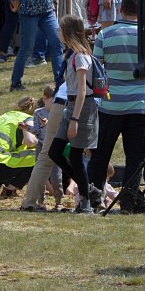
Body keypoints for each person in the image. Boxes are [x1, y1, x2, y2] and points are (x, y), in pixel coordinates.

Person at [89, 0, 145, 214]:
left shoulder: (106, 34)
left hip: (110, 105)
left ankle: (93, 200)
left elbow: (96, 69)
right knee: (135, 157)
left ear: (120, 9)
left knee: (101, 155)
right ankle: (129, 201)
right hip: (139, 104)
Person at [49, 15, 99, 213]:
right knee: (55, 151)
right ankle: (89, 189)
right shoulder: (70, 55)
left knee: (77, 155)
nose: (57, 33)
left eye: (60, 30)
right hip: (71, 106)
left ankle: (85, 202)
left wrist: (75, 119)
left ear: (68, 33)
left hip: (82, 108)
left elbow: (82, 90)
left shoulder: (80, 57)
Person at [19, 85, 65, 211]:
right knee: (40, 175)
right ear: (45, 98)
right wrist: (26, 128)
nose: (56, 104)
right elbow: (37, 131)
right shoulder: (38, 113)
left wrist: (49, 124)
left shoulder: (62, 111)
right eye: (53, 101)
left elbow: (62, 128)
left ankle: (58, 200)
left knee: (56, 176)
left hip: (56, 145)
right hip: (41, 145)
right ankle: (41, 201)